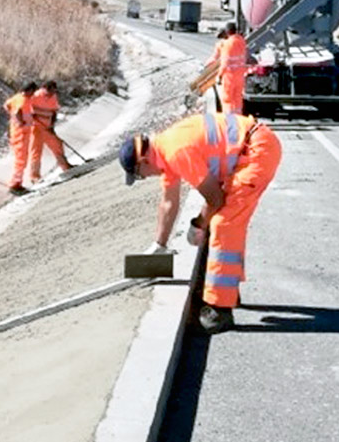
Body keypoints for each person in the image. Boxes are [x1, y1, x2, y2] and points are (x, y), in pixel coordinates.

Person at [118, 112, 282, 333]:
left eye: (139, 174)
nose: (145, 177)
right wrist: (159, 245)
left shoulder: (176, 152)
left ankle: (220, 308)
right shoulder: (164, 150)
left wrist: (199, 224)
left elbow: (215, 198)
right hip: (253, 147)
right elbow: (168, 203)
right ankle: (228, 288)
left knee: (224, 224)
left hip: (256, 152)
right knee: (226, 221)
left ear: (144, 161)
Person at [28, 80, 72, 182]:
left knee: (57, 145)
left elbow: (54, 112)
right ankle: (34, 176)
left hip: (47, 128)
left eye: (55, 91)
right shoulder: (36, 95)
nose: (53, 93)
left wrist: (52, 125)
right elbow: (28, 110)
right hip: (36, 128)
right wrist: (34, 116)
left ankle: (65, 167)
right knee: (36, 150)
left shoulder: (53, 96)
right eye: (52, 91)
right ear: (46, 89)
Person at [203, 23, 248, 114]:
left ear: (227, 32)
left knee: (227, 99)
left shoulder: (227, 45)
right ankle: (238, 118)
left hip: (229, 76)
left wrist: (219, 76)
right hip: (240, 76)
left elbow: (225, 64)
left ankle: (228, 119)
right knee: (237, 99)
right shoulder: (241, 41)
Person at [3, 82, 37, 194]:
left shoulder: (17, 97)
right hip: (21, 133)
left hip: (17, 132)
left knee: (21, 158)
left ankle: (17, 183)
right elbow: (18, 111)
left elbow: (7, 105)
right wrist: (21, 122)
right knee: (21, 160)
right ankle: (14, 184)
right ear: (30, 90)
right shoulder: (23, 100)